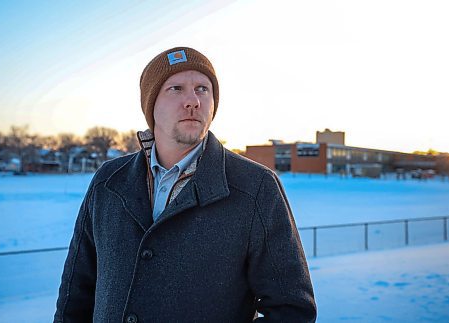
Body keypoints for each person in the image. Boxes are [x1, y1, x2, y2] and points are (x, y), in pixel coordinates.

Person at [54, 47, 316, 322]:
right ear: (151, 104)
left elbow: (292, 310)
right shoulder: (108, 181)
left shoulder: (256, 188)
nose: (192, 101)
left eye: (202, 89)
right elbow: (75, 294)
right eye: (176, 88)